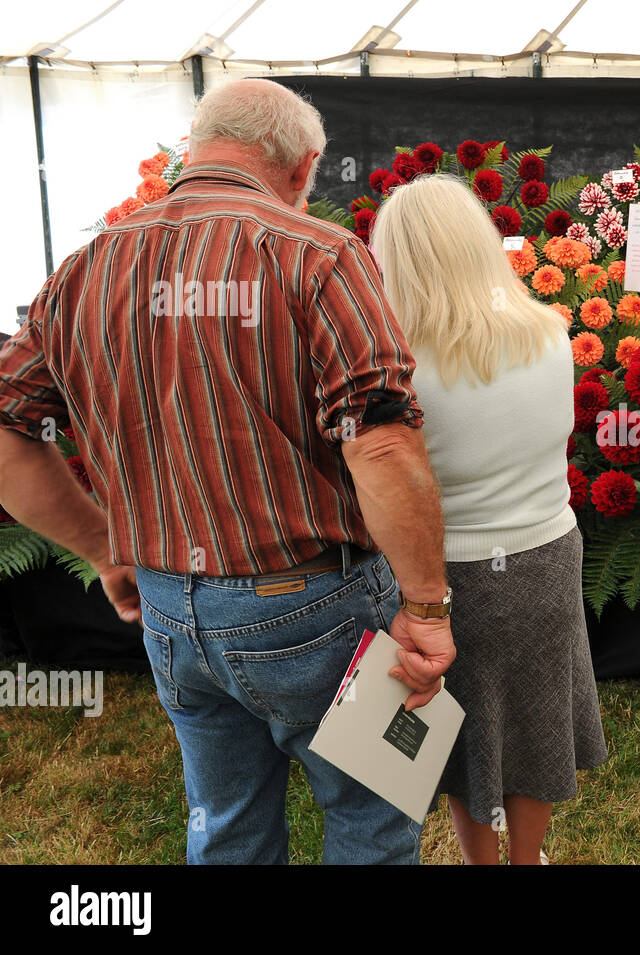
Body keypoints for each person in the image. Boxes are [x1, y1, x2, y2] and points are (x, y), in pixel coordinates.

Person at [0, 78, 455, 864]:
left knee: (226, 828)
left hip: (172, 611)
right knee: (374, 822)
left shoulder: (86, 266)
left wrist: (108, 547)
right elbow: (380, 443)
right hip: (319, 605)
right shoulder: (319, 253)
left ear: (195, 147)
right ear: (303, 164)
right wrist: (427, 607)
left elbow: (7, 431)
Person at [369, 175, 607, 865]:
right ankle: (527, 861)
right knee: (535, 723)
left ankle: (479, 863)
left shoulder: (401, 364)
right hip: (548, 554)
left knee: (458, 728)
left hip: (448, 576)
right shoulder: (551, 333)